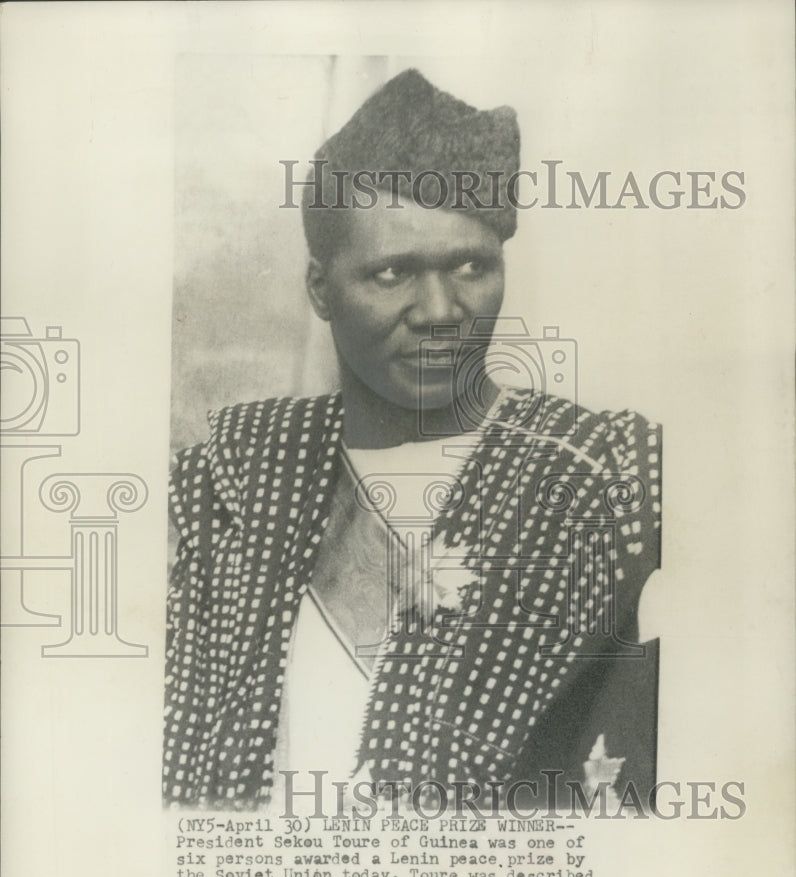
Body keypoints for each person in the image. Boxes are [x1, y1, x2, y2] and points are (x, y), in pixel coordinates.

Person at [162, 69, 661, 811]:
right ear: (320, 288)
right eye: (392, 272)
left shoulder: (607, 476)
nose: (440, 310)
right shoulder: (228, 484)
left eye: (471, 266)